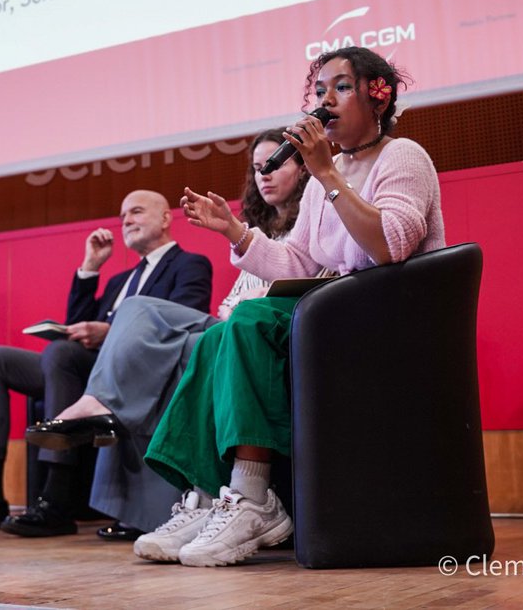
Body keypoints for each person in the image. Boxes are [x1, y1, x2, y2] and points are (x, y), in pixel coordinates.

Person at [139, 46, 444, 567]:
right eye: (320, 90)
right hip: (333, 316)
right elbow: (298, 259)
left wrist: (326, 175)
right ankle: (214, 493)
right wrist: (236, 230)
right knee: (220, 331)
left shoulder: (403, 156)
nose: (325, 100)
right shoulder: (331, 171)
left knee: (254, 318)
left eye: (340, 87)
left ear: (379, 95)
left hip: (386, 319)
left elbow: (390, 245)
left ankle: (255, 496)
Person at [24, 129, 308, 541]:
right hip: (227, 328)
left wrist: (237, 308)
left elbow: (208, 310)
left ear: (303, 171)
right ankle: (195, 500)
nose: (264, 174)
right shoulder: (255, 235)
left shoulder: (297, 232)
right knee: (104, 350)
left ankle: (97, 406)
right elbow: (231, 301)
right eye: (257, 167)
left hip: (256, 330)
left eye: (276, 164)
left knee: (139, 314)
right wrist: (89, 269)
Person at [0, 190, 213, 537]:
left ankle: (56, 500)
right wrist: (90, 268)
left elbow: (181, 322)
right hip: (83, 367)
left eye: (136, 212)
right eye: (121, 217)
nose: (126, 221)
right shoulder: (119, 280)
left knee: (60, 356)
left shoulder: (190, 264)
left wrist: (108, 332)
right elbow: (76, 326)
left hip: (135, 371)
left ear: (165, 218)